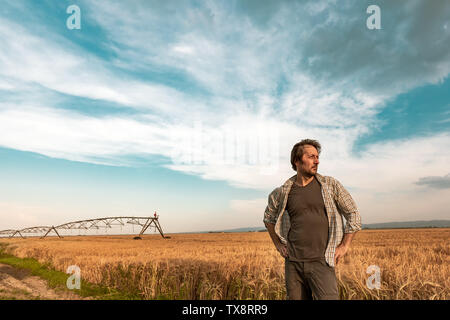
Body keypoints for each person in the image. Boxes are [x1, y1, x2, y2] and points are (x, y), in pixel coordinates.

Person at [263, 139, 361, 300]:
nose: (317, 161)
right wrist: (278, 244)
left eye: (317, 157)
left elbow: (353, 213)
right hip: (293, 263)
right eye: (311, 157)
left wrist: (344, 245)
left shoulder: (330, 185)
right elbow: (268, 218)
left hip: (322, 262)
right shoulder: (282, 192)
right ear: (297, 161)